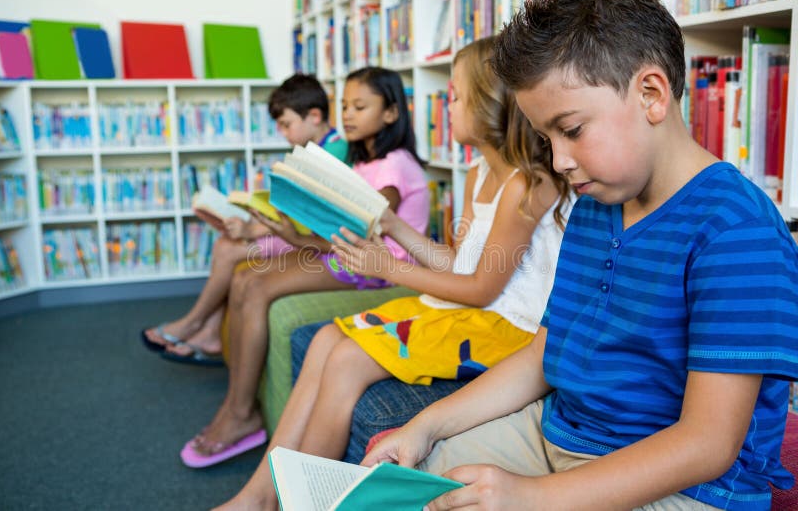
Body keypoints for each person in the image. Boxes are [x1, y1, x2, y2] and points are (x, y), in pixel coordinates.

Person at [362, 0, 798, 510]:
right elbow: (547, 352)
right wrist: (426, 424)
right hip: (560, 436)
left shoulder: (737, 230)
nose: (559, 161)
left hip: (688, 487)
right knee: (402, 489)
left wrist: (535, 498)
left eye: (571, 129)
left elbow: (707, 444)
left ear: (652, 95)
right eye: (548, 139)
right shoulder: (594, 205)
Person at [216, 35, 574, 511]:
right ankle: (259, 495)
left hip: (506, 328)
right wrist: (392, 226)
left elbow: (481, 288)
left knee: (345, 360)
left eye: (457, 96)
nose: (448, 106)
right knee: (325, 341)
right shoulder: (477, 173)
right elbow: (457, 263)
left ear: (493, 106)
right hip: (466, 309)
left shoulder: (527, 186)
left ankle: (311, 503)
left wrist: (389, 267)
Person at [180, 66, 430, 468]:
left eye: (359, 106)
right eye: (344, 105)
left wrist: (302, 232)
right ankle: (235, 405)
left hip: (378, 267)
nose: (347, 114)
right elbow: (344, 235)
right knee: (246, 278)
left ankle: (241, 414)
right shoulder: (363, 162)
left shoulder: (394, 166)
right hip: (353, 256)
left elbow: (366, 233)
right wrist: (293, 236)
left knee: (258, 287)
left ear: (390, 113)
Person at [140, 74, 347, 364]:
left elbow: (303, 212)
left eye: (286, 124)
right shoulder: (318, 148)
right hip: (296, 231)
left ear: (314, 116)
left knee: (229, 248)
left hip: (308, 238)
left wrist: (253, 228)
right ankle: (209, 329)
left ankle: (193, 324)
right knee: (229, 242)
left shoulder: (334, 152)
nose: (282, 132)